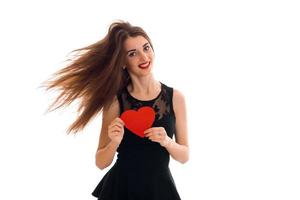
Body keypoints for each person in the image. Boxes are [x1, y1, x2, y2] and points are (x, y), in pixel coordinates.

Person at [41, 20, 189, 200]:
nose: (143, 57)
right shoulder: (115, 102)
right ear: (123, 62)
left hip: (159, 189)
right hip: (121, 189)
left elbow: (184, 156)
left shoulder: (176, 98)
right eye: (133, 53)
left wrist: (167, 141)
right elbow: (101, 162)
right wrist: (114, 142)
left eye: (146, 48)